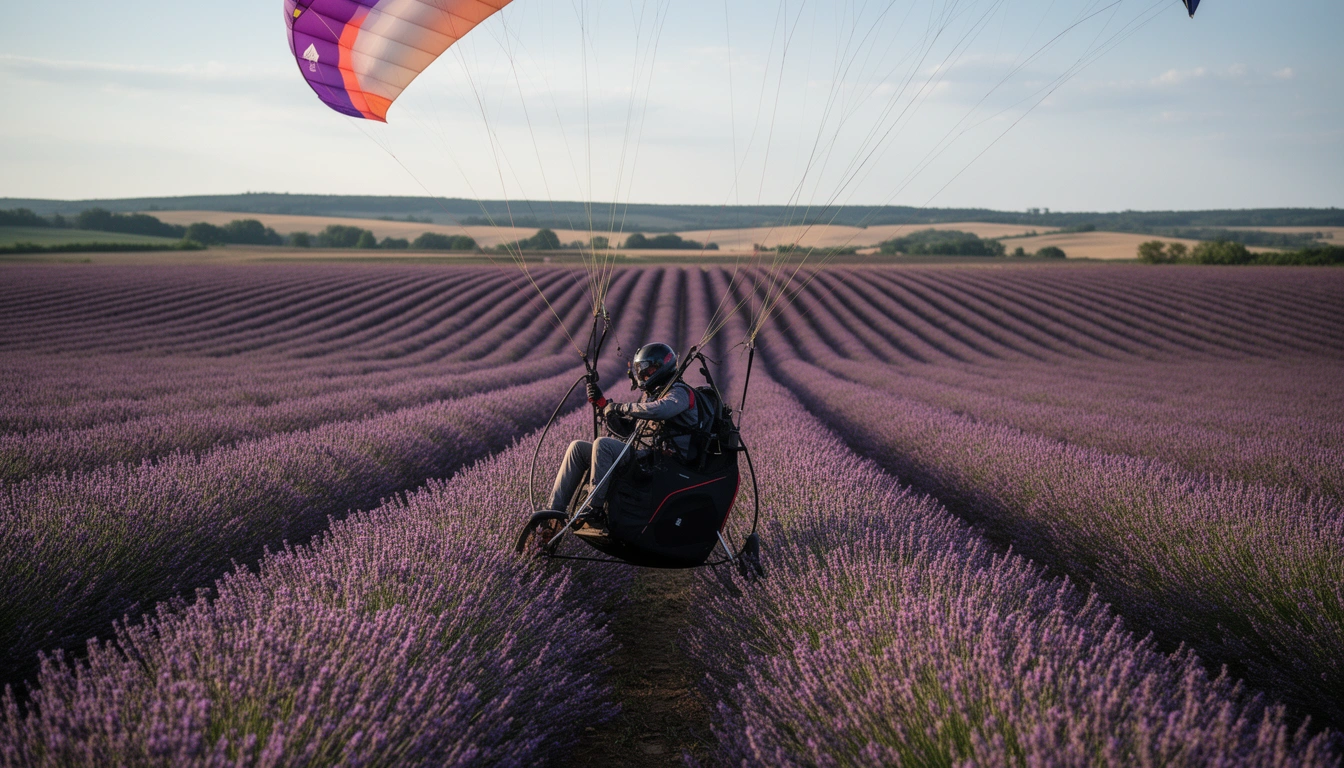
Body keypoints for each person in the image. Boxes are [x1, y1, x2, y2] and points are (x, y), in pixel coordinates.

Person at [543, 342, 700, 518]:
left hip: (663, 465)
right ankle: (553, 513)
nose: (643, 375)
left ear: (662, 367)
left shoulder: (681, 392)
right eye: (641, 370)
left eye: (648, 370)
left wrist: (621, 407)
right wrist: (603, 405)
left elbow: (660, 410)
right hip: (642, 457)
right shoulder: (652, 394)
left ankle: (595, 508)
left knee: (603, 445)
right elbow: (628, 431)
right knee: (577, 448)